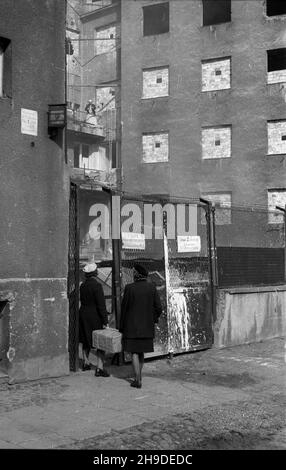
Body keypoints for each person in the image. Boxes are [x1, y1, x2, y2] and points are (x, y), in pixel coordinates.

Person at [119, 263, 162, 389]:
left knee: (134, 353)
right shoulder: (151, 288)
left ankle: (137, 379)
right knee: (141, 352)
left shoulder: (129, 288)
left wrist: (121, 326)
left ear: (136, 275)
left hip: (131, 327)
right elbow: (158, 307)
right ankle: (139, 376)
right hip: (146, 327)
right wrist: (152, 319)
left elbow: (124, 308)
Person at [79, 262, 110, 377]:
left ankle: (86, 362)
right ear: (94, 273)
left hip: (83, 313)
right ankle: (100, 368)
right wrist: (105, 321)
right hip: (94, 316)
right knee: (99, 341)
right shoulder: (97, 286)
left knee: (85, 339)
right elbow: (101, 305)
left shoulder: (83, 286)